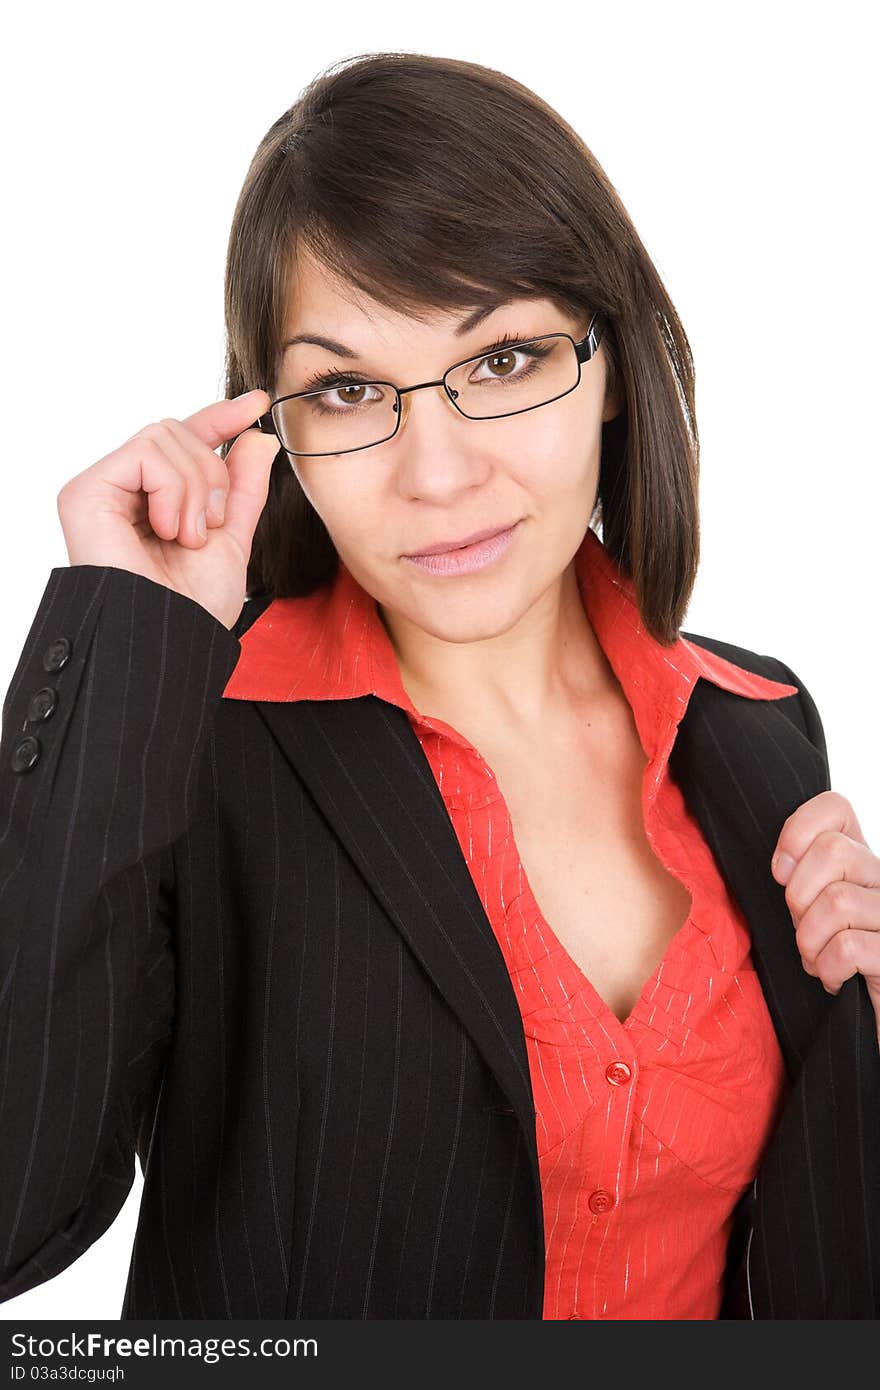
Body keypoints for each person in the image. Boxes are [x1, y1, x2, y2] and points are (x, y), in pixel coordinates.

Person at [1, 50, 878, 1323]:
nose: (437, 473)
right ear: (273, 423)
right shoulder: (193, 731)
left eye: (506, 360)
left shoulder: (758, 724)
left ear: (615, 366)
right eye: (349, 388)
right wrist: (127, 642)